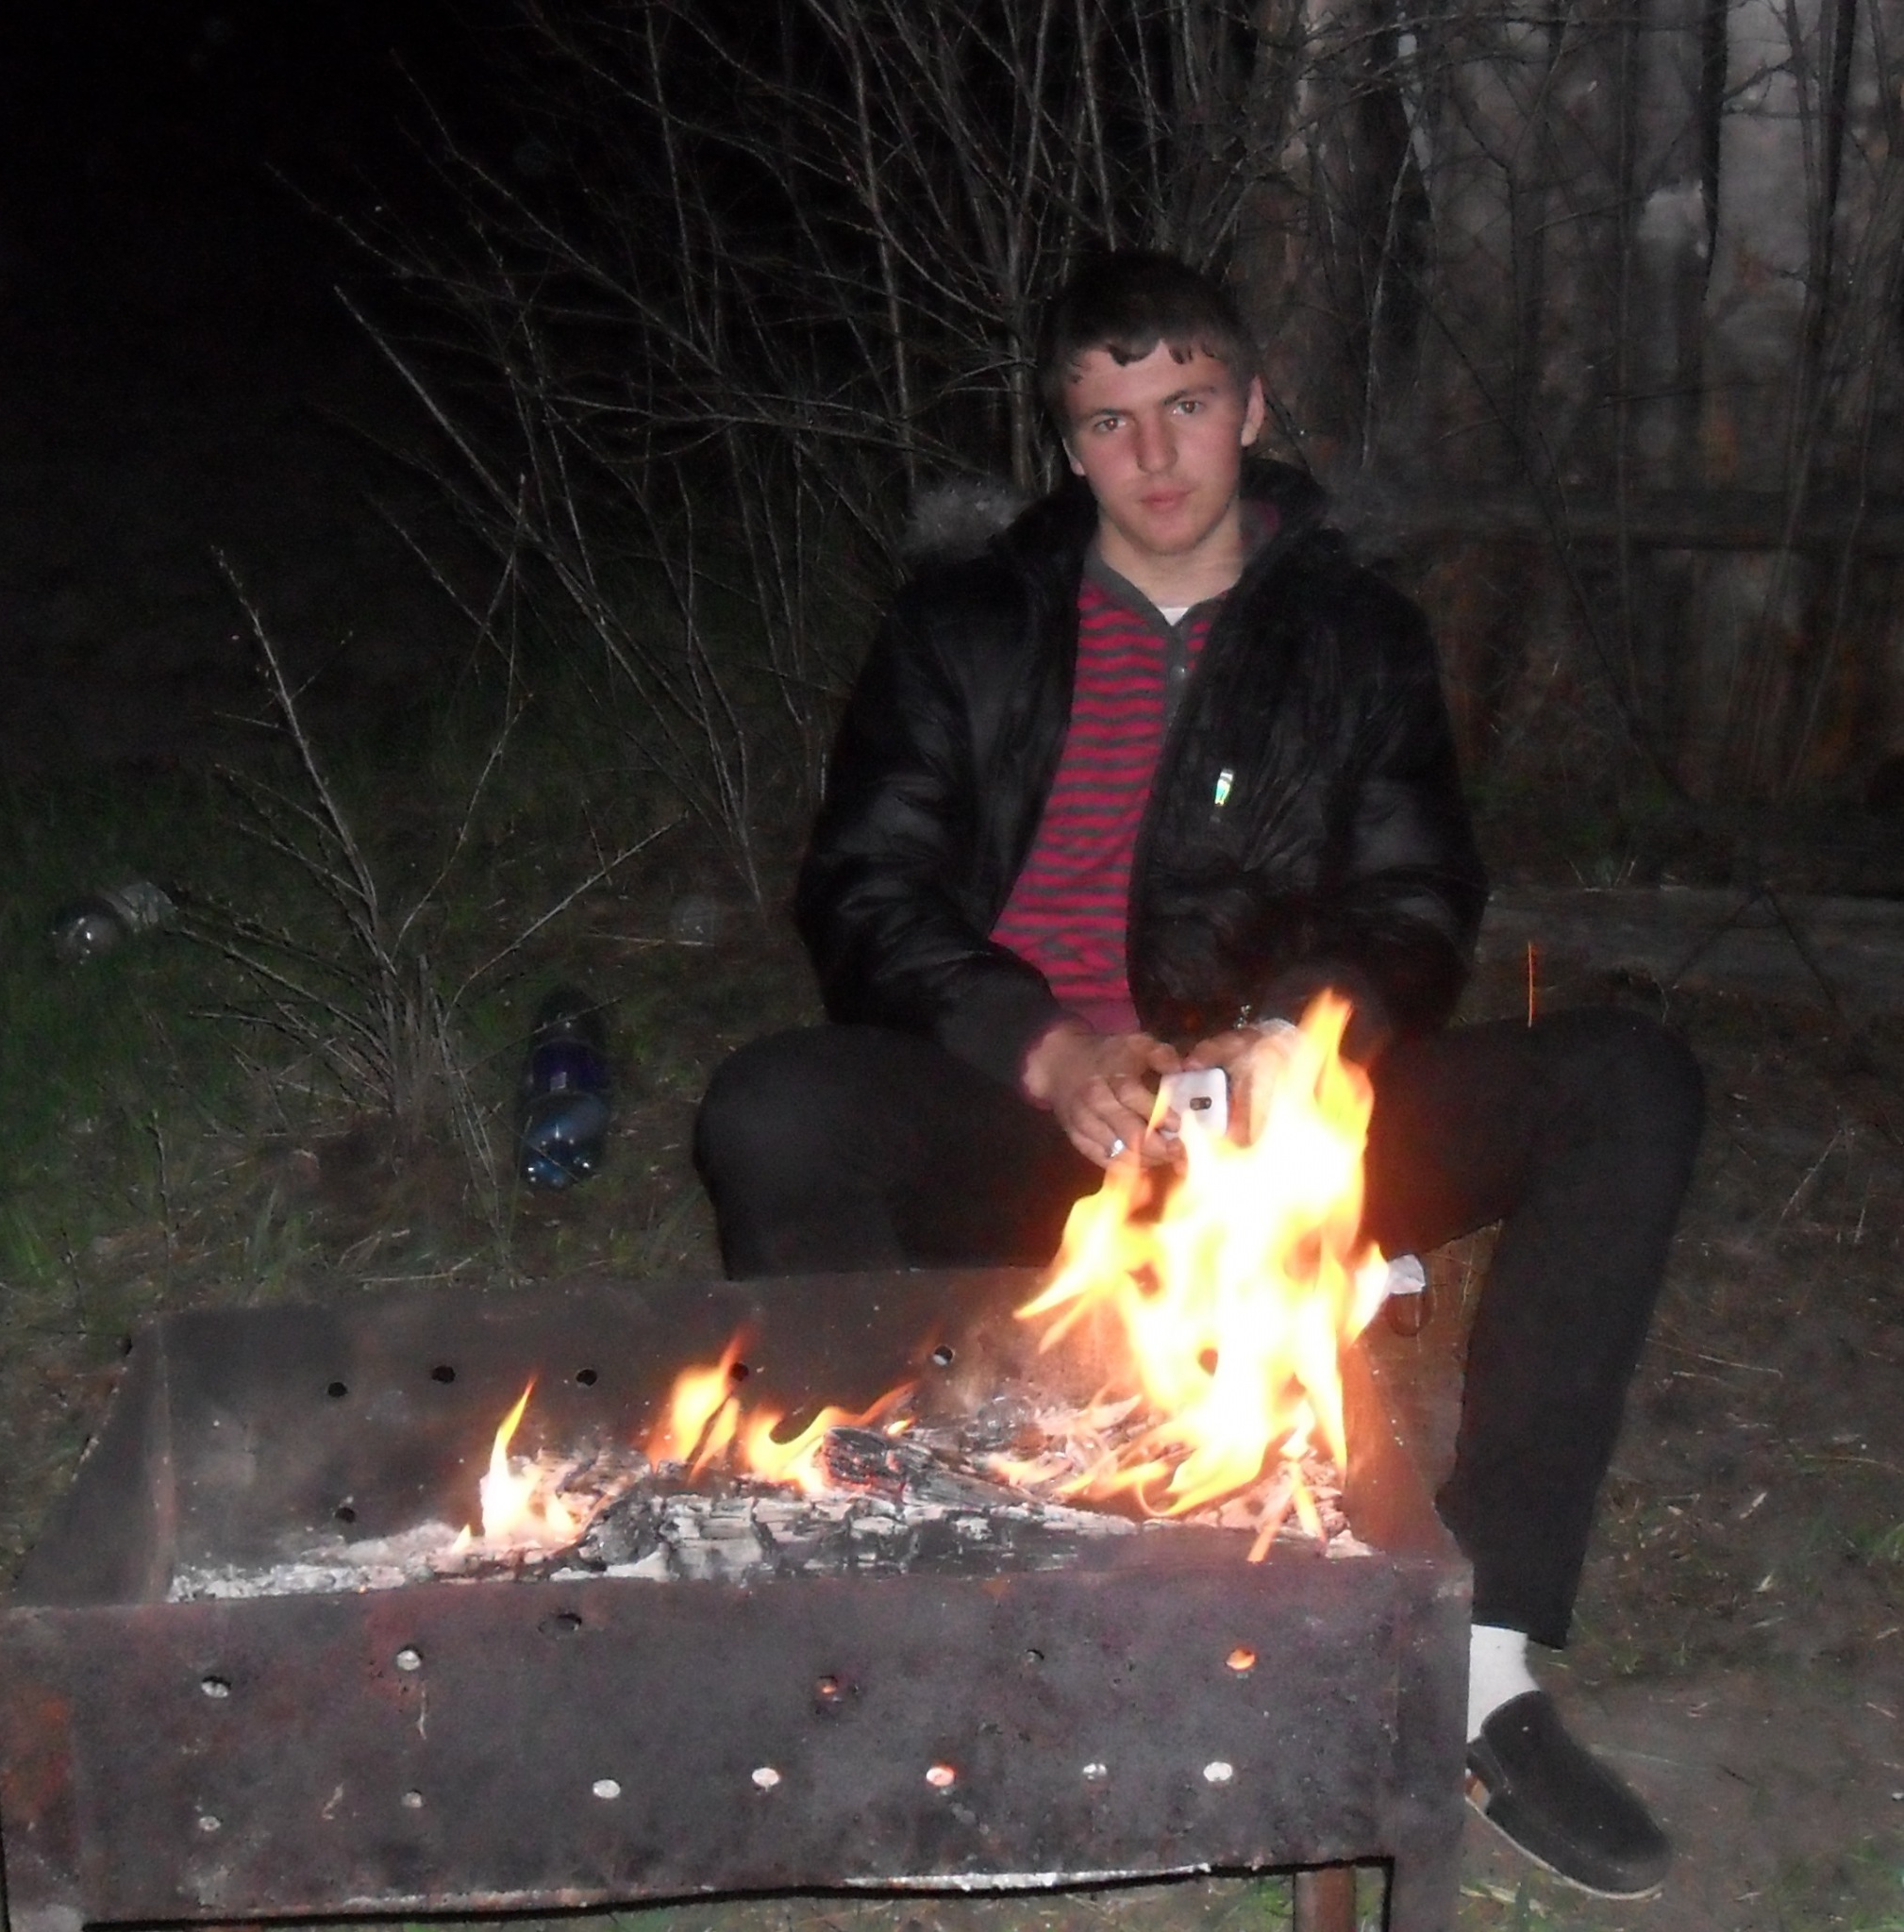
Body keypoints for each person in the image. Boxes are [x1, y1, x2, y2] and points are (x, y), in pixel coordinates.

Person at [694, 252, 1704, 1900]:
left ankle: (1481, 1661)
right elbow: (866, 893)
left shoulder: (1354, 633)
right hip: (1045, 1128)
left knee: (1628, 1079)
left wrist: (1299, 1032)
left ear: (1252, 407)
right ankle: (893, 1612)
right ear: (1066, 441)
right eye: (1110, 422)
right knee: (769, 1105)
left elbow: (1417, 896)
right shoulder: (964, 628)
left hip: (1284, 1133)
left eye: (1186, 406)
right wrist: (1042, 1045)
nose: (1155, 457)